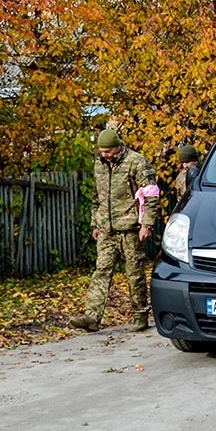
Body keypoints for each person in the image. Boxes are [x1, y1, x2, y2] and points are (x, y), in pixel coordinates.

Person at [70, 128, 160, 333]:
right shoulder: (99, 166)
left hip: (130, 229)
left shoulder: (137, 162)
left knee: (134, 273)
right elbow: (97, 197)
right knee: (101, 271)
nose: (104, 155)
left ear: (118, 147)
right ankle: (92, 316)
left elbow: (151, 195)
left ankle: (140, 315)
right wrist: (95, 223)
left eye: (108, 151)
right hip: (106, 229)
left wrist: (147, 224)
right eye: (101, 151)